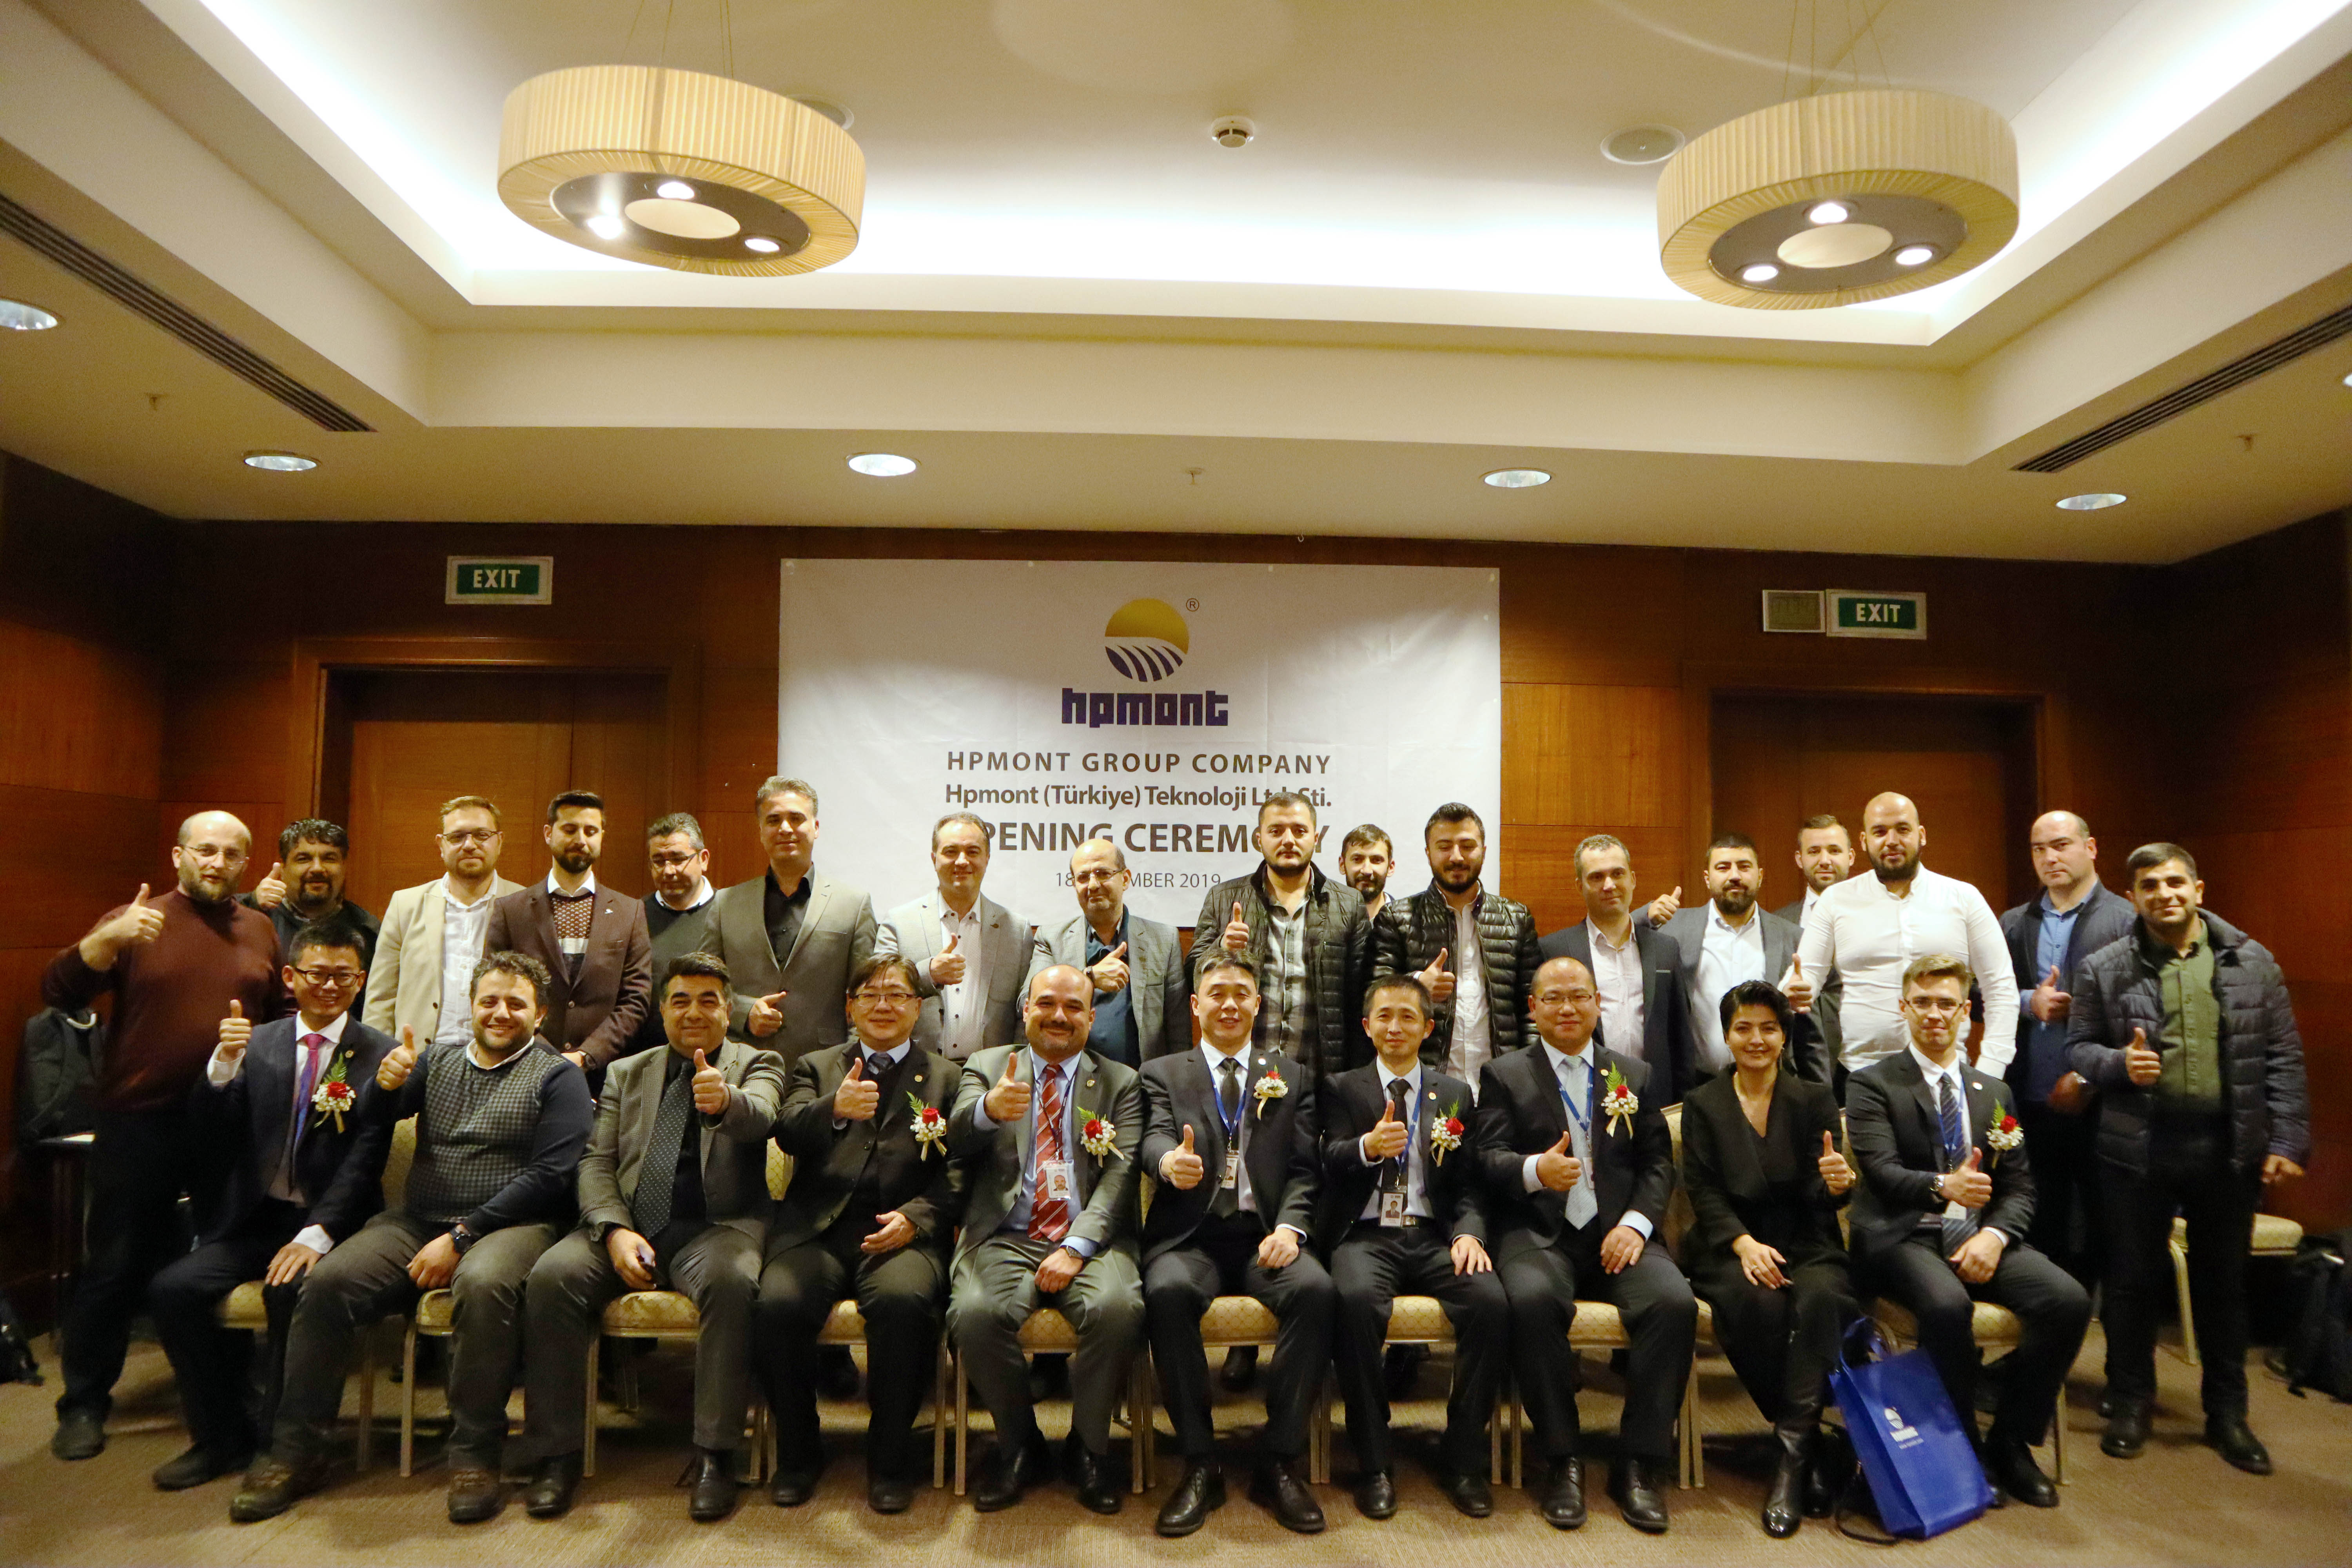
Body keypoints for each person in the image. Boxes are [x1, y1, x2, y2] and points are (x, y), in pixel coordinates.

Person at [231, 952, 593, 1525]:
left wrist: (463, 1235)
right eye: (489, 1001)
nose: (500, 1013)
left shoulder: (558, 1077)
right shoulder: (439, 1059)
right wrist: (385, 1083)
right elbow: (376, 1119)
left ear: (541, 1014)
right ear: (471, 1006)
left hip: (513, 1226)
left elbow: (551, 1176)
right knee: (327, 1283)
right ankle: (297, 1451)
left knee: (483, 1285)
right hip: (418, 1220)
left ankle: (474, 1454)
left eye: (516, 1004)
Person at [40, 811, 288, 1463]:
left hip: (226, 1125)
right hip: (139, 1120)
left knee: (219, 1263)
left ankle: (226, 1394)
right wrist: (107, 940)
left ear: (245, 863)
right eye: (205, 850)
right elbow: (60, 991)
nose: (217, 862)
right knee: (115, 1264)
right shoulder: (136, 919)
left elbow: (281, 1019)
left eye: (231, 853)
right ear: (179, 856)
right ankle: (84, 1402)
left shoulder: (261, 929)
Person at [519, 952, 784, 1523]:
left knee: (733, 1283)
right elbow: (597, 1161)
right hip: (630, 1224)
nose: (694, 1012)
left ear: (729, 1010)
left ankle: (716, 1455)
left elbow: (762, 1114)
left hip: (716, 1229)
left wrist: (725, 1101)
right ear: (662, 1011)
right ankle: (556, 1454)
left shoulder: (758, 1061)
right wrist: (615, 1230)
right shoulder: (627, 1071)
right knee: (552, 1276)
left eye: (709, 1001)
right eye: (680, 1000)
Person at [2069, 844, 2309, 1474]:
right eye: (2150, 885)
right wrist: (2118, 1064)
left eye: (2175, 882)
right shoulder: (2103, 967)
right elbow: (2079, 1047)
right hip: (2137, 1148)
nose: (2164, 894)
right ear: (2133, 897)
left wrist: (2287, 1141)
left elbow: (2283, 1055)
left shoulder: (2252, 961)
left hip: (2227, 1149)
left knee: (2223, 1286)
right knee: (2131, 1282)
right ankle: (2130, 1404)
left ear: (2199, 890)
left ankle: (2228, 1415)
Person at [147, 921, 397, 1491]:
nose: (328, 986)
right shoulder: (257, 1044)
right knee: (173, 1290)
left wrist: (318, 1233)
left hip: (333, 1225)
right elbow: (211, 1132)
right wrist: (223, 1065)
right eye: (317, 974)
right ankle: (220, 1438)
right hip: (255, 1220)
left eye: (342, 976)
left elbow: (365, 1160)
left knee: (290, 1293)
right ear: (290, 977)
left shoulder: (379, 1054)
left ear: (360, 981)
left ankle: (282, 1444)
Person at [1845, 953, 2089, 1508]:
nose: (1934, 1014)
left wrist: (1994, 1238)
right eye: (1922, 1003)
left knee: (2068, 1300)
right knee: (1947, 1306)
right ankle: (1964, 1447)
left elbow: (2020, 1187)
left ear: (1965, 1013)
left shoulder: (1994, 1094)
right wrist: (1944, 1186)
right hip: (1903, 1235)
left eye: (1946, 1004)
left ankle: (2011, 1440)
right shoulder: (1872, 1084)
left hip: (1979, 1235)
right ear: (1904, 1007)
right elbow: (1881, 1173)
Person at [1478, 955, 1695, 1534]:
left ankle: (1640, 1463)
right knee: (1531, 1302)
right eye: (1553, 998)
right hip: (1540, 1234)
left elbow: (1657, 1164)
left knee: (1673, 1304)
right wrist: (1534, 1170)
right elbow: (1487, 1160)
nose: (1568, 1008)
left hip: (1620, 1233)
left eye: (1579, 995)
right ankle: (1562, 1458)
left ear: (1599, 1003)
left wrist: (1637, 1224)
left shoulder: (1633, 1074)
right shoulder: (1505, 1075)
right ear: (1533, 1008)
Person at [759, 954, 965, 1514]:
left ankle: (890, 1458)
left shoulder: (949, 1077)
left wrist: (917, 1218)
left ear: (918, 1008)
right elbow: (786, 1132)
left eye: (897, 994)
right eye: (870, 994)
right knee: (777, 1304)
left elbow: (960, 1170)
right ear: (850, 1007)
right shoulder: (815, 1066)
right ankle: (799, 1453)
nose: (883, 1005)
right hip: (819, 1230)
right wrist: (834, 1109)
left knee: (903, 1304)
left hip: (903, 1231)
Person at [1140, 954, 1332, 1537]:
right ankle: (1201, 1462)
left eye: (1241, 994)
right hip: (1190, 1237)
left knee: (1316, 1291)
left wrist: (1290, 1229)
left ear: (1258, 1005)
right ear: (1196, 1005)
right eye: (1217, 993)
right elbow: (1152, 1137)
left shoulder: (1291, 1075)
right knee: (1167, 1292)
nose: (1229, 1004)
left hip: (1262, 1237)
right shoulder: (1162, 1073)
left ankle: (1279, 1459)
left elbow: (1305, 1169)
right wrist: (1167, 1163)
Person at [946, 966, 1145, 1515]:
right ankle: (1021, 1445)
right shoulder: (987, 1066)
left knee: (1117, 1308)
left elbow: (1120, 1178)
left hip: (1091, 1240)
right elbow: (956, 1140)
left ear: (1091, 1017)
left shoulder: (1121, 1082)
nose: (1060, 1016)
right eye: (1047, 1003)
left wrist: (1076, 1248)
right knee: (975, 1314)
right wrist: (988, 1111)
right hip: (1006, 1234)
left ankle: (1089, 1447)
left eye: (1074, 1007)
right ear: (1026, 1009)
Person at [1319, 974, 1504, 1523]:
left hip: (1435, 1234)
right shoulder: (1342, 1087)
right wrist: (1366, 1147)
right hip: (1366, 1234)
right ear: (1366, 1026)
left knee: (1491, 1304)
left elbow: (1470, 1183)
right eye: (1384, 1016)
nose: (1395, 1027)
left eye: (1408, 1017)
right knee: (1354, 1303)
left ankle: (1463, 1456)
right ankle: (1375, 1461)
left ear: (1427, 1027)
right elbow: (1326, 1160)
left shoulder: (1455, 1093)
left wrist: (1469, 1232)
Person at [1677, 980, 1857, 1537]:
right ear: (1726, 1035)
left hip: (1806, 1239)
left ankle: (1789, 1457)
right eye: (1743, 1028)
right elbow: (1703, 1191)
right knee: (1760, 1306)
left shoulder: (1813, 1098)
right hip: (1730, 1245)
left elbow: (1822, 1190)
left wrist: (1839, 1186)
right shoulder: (1703, 1103)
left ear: (1784, 1036)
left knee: (1823, 1298)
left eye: (1769, 1028)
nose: (1756, 1039)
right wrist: (1743, 1244)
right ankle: (1807, 1444)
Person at [1789, 793, 2020, 1078]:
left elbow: (2001, 989)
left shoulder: (1964, 899)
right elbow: (1804, 978)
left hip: (1948, 1072)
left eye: (1902, 829)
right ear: (1864, 841)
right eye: (1880, 832)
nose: (1892, 841)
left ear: (1921, 835)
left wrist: (1991, 1070)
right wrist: (1794, 990)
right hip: (1861, 1072)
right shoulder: (1836, 900)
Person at [1997, 811, 2134, 1287]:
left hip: (2104, 1102)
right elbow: (1979, 995)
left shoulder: (2126, 921)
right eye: (2039, 849)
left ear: (2090, 848)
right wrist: (2029, 1002)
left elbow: (2145, 1017)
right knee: (2038, 1222)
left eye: (2061, 845)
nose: (2049, 857)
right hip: (2028, 1101)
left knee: (2107, 1228)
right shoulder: (2015, 922)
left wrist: (2090, 1077)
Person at [1188, 791, 1370, 1081]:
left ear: (1316, 838)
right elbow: (1192, 974)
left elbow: (1364, 992)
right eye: (1276, 831)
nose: (1288, 840)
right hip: (1243, 1072)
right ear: (1259, 839)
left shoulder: (1348, 903)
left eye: (1299, 831)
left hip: (1322, 1075)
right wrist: (1221, 947)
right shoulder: (1224, 898)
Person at [700, 776, 876, 1064]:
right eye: (774, 820)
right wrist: (744, 1012)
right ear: (761, 832)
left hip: (826, 1066)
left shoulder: (854, 906)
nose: (785, 829)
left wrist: (854, 1061)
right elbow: (704, 986)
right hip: (742, 1064)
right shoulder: (725, 904)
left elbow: (867, 996)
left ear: (816, 828)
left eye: (796, 818)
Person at [1370, 804, 1541, 1098]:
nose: (1457, 857)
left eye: (1467, 846)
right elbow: (1373, 996)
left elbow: (1533, 1009)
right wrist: (1417, 985)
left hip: (1502, 1086)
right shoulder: (1397, 917)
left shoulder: (1516, 918)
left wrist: (1528, 1076)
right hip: (1426, 1085)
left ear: (1484, 851)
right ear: (1428, 853)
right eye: (1445, 847)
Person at [485, 789, 654, 1071]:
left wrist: (587, 1055)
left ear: (602, 837)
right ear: (548, 833)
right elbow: (493, 990)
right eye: (570, 829)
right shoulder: (511, 910)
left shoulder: (630, 912)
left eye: (591, 831)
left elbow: (636, 999)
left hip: (604, 1073)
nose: (581, 840)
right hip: (524, 1067)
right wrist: (546, 1056)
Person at [1536, 835, 1695, 1105]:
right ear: (1580, 886)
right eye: (1597, 877)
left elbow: (1681, 1038)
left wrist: (1684, 1106)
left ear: (1633, 879)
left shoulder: (1665, 949)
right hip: (1583, 1099)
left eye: (1617, 874)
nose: (1609, 885)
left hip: (1656, 1099)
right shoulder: (1555, 950)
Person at [877, 811, 1047, 1060]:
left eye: (973, 852)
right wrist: (928, 974)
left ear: (987, 859)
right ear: (934, 858)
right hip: (915, 1070)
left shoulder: (1017, 931)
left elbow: (1025, 1013)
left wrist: (1016, 1067)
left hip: (991, 1074)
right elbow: (876, 993)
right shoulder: (898, 923)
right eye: (951, 852)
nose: (962, 861)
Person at [363, 796, 523, 1051]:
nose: (469, 845)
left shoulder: (524, 904)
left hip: (501, 1057)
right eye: (457, 837)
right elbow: (381, 997)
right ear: (441, 845)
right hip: (418, 1058)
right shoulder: (405, 905)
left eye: (481, 835)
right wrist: (379, 1057)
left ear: (500, 841)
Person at [1653, 835, 1811, 1085]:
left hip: (1771, 1085)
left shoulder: (1793, 938)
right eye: (1723, 867)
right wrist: (1646, 915)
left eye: (1744, 867)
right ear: (1707, 878)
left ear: (1760, 876)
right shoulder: (1673, 931)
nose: (1735, 876)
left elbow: (1810, 1030)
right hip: (1696, 1085)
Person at [1030, 837, 1189, 1067]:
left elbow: (1179, 1034)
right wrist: (1089, 978)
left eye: (1103, 874)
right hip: (1068, 1078)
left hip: (1141, 1081)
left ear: (1125, 879)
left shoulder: (1164, 940)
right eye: (1083, 877)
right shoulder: (1051, 939)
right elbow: (1027, 1003)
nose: (1093, 885)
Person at [242, 819, 380, 1014]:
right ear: (283, 867)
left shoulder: (369, 931)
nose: (317, 868)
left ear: (344, 867)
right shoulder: (251, 916)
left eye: (329, 859)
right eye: (304, 859)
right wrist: (251, 904)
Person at [635, 811, 720, 1053]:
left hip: (717, 1056)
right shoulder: (634, 916)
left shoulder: (730, 912)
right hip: (646, 1056)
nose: (668, 871)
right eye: (659, 861)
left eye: (678, 859)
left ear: (703, 859)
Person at [1775, 815, 1853, 1072]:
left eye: (1834, 851)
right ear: (1800, 859)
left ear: (1851, 856)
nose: (1825, 860)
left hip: (1859, 1059)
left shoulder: (1875, 919)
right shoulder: (1777, 923)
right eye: (1814, 851)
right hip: (1796, 1063)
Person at [1338, 824, 1395, 925]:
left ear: (1390, 867)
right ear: (1342, 865)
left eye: (1377, 860)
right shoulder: (1326, 923)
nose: (1367, 871)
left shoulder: (1409, 924)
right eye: (1357, 860)